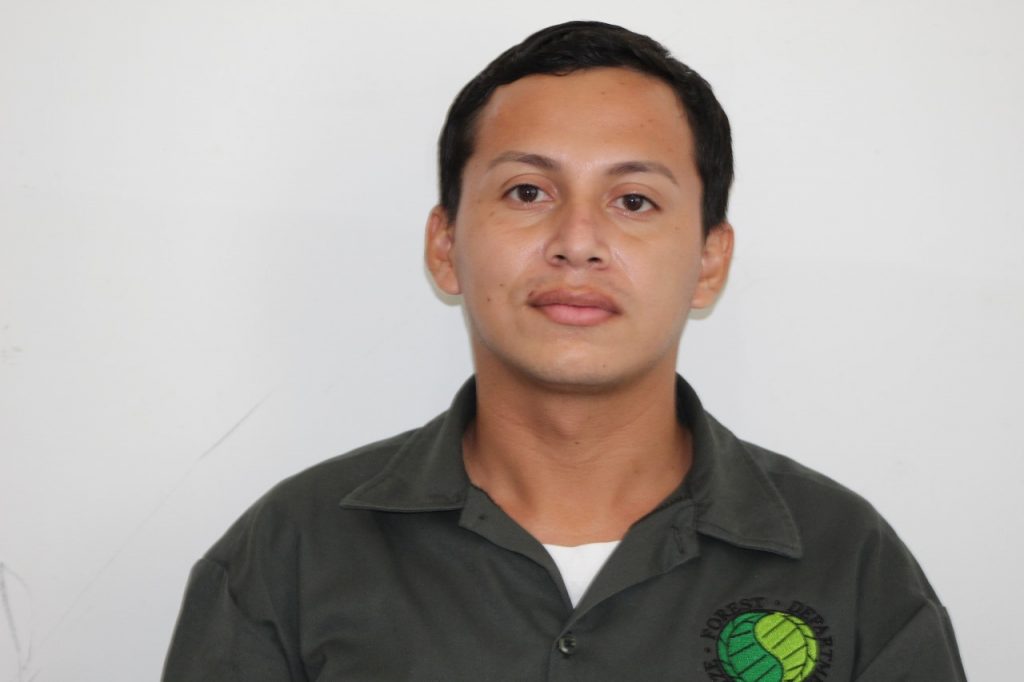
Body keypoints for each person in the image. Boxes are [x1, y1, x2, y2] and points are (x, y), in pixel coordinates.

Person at [163, 21, 966, 681]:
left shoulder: (845, 561)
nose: (578, 241)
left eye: (634, 200)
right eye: (527, 192)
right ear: (445, 246)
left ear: (708, 262)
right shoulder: (291, 555)